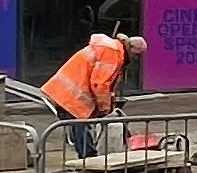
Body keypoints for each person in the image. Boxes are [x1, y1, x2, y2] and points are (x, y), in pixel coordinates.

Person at [41, 23, 142, 157]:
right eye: (137, 56)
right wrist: (105, 108)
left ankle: (86, 157)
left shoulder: (113, 51)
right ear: (133, 51)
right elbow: (99, 84)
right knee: (81, 129)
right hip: (71, 95)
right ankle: (88, 159)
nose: (135, 60)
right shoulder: (114, 54)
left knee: (80, 129)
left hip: (66, 92)